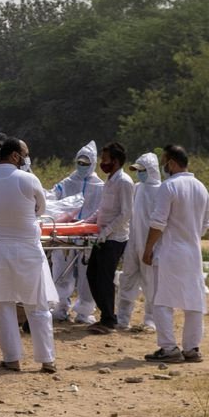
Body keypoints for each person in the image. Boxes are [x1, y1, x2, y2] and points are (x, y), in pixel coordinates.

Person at [0, 137, 58, 373]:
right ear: (15, 156)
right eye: (26, 153)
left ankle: (12, 359)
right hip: (27, 249)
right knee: (38, 306)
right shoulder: (29, 179)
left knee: (3, 306)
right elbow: (41, 209)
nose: (28, 158)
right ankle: (47, 360)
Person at [143, 145, 209, 363]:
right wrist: (189, 236)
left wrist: (148, 249)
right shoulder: (201, 187)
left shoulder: (168, 187)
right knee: (194, 301)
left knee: (162, 300)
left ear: (171, 163)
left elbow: (157, 223)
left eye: (164, 161)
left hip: (170, 252)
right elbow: (206, 223)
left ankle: (169, 347)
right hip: (192, 252)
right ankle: (191, 348)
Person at [49, 140, 104, 323]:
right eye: (79, 163)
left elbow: (103, 209)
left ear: (93, 163)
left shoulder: (100, 186)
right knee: (61, 271)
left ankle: (84, 311)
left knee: (86, 275)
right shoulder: (67, 183)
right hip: (66, 233)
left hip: (87, 234)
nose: (81, 166)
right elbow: (52, 197)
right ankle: (61, 307)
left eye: (85, 163)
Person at [86, 141, 135, 334]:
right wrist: (85, 223)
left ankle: (109, 320)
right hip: (102, 236)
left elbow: (125, 214)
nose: (102, 163)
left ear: (114, 161)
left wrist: (105, 232)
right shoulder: (110, 180)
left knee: (105, 278)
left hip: (114, 238)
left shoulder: (124, 182)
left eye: (105, 159)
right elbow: (103, 210)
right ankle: (106, 316)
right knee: (92, 275)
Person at [116, 152, 161, 332]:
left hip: (151, 244)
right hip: (133, 241)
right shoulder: (137, 187)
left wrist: (151, 246)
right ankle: (122, 318)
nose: (139, 174)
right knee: (127, 279)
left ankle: (151, 319)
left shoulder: (161, 190)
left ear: (151, 170)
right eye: (137, 170)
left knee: (151, 283)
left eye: (142, 170)